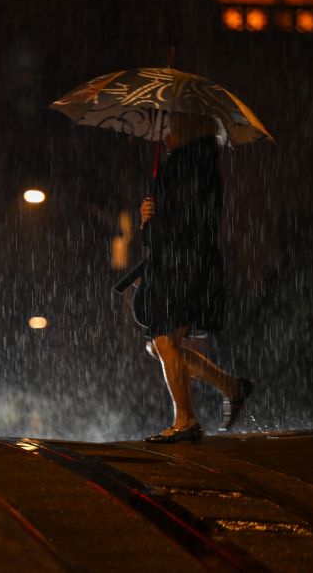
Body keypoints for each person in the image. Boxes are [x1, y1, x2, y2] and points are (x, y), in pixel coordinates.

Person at [135, 111, 253, 443]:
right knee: (161, 346)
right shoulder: (192, 164)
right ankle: (231, 387)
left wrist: (151, 223)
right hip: (185, 264)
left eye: (170, 126)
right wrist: (150, 217)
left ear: (184, 130)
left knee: (163, 342)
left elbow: (183, 224)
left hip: (182, 266)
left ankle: (186, 421)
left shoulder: (188, 167)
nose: (164, 134)